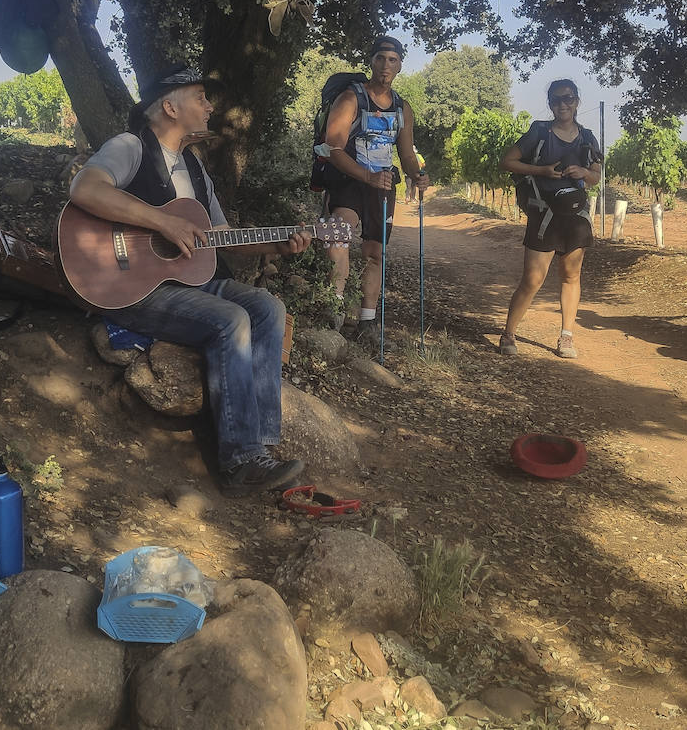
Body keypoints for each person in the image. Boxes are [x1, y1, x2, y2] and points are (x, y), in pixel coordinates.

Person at [68, 65, 311, 496]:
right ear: (169, 106)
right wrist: (161, 222)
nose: (209, 106)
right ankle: (239, 462)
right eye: (200, 96)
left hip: (188, 282)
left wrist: (276, 245)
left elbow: (219, 239)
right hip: (131, 286)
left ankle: (263, 443)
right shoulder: (130, 147)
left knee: (268, 308)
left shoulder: (194, 169)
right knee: (231, 320)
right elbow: (85, 190)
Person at [321, 35, 429, 340]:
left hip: (381, 186)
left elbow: (406, 153)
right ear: (371, 60)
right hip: (349, 180)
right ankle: (334, 308)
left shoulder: (402, 108)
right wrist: (366, 177)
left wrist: (417, 174)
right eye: (381, 58)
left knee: (375, 252)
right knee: (338, 235)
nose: (385, 65)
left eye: (392, 60)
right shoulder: (351, 98)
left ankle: (367, 322)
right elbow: (334, 147)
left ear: (400, 66)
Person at [496, 79, 603, 359]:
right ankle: (508, 334)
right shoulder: (539, 132)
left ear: (577, 101)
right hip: (544, 213)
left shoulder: (588, 137)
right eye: (556, 100)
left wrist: (584, 173)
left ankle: (566, 337)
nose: (562, 104)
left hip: (576, 214)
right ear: (550, 104)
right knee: (532, 279)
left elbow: (596, 176)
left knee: (571, 276)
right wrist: (542, 171)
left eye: (567, 98)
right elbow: (507, 161)